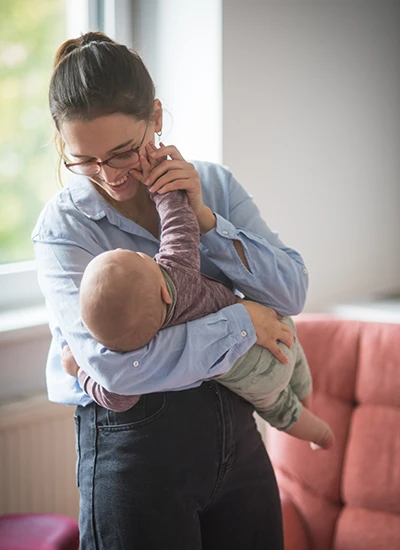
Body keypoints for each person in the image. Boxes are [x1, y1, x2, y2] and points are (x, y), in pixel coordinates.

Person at [32, 31, 310, 549]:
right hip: (132, 453)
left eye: (122, 152)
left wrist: (205, 221)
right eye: (84, 161)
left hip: (236, 436)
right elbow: (115, 369)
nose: (108, 176)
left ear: (155, 119)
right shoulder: (63, 230)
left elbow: (292, 291)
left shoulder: (216, 186)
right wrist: (241, 320)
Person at [67, 171, 333, 450]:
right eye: (137, 256)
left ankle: (319, 435)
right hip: (277, 333)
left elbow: (116, 395)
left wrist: (81, 371)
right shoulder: (177, 273)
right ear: (163, 289)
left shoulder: (140, 349)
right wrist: (163, 188)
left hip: (254, 382)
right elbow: (179, 224)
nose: (144, 253)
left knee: (283, 411)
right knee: (298, 367)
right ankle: (309, 401)